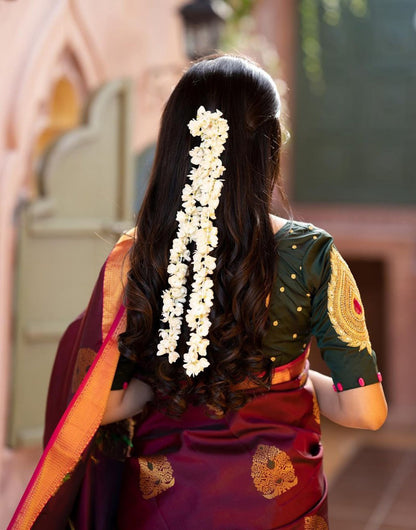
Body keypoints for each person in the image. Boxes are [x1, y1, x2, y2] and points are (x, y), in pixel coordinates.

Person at [10, 54, 387, 530]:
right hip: (278, 508)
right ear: (270, 147)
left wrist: (158, 384)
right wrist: (299, 378)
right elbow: (365, 411)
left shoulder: (138, 256)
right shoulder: (313, 256)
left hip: (163, 508)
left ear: (175, 147)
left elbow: (98, 405)